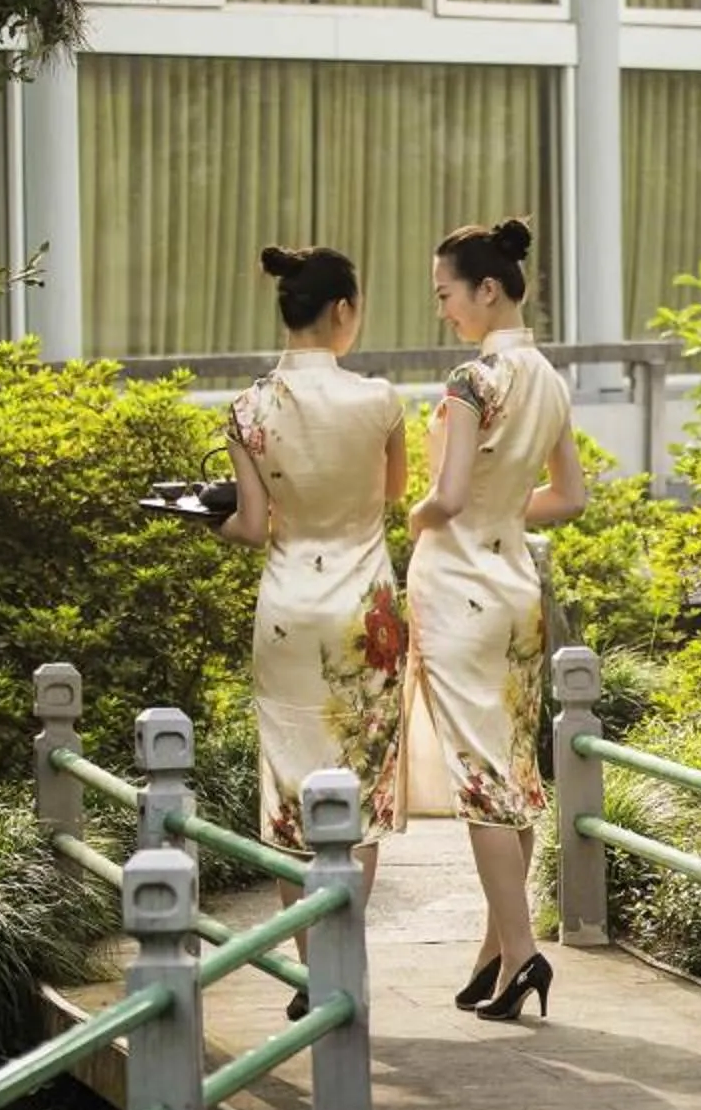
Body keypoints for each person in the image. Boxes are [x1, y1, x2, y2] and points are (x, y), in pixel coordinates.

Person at [215, 244, 408, 1022]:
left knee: (294, 789)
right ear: (341, 312)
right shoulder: (381, 400)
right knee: (358, 788)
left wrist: (206, 518)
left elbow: (254, 526)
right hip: (368, 610)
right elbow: (392, 495)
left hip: (288, 609)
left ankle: (316, 975)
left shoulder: (247, 408)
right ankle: (346, 962)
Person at [406, 215, 587, 1025]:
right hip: (516, 583)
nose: (444, 308)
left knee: (483, 781)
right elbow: (570, 500)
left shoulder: (470, 382)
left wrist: (413, 518)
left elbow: (444, 498)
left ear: (487, 289)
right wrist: (502, 507)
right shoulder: (549, 377)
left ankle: (520, 954)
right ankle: (494, 949)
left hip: (458, 588)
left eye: (448, 293)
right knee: (514, 771)